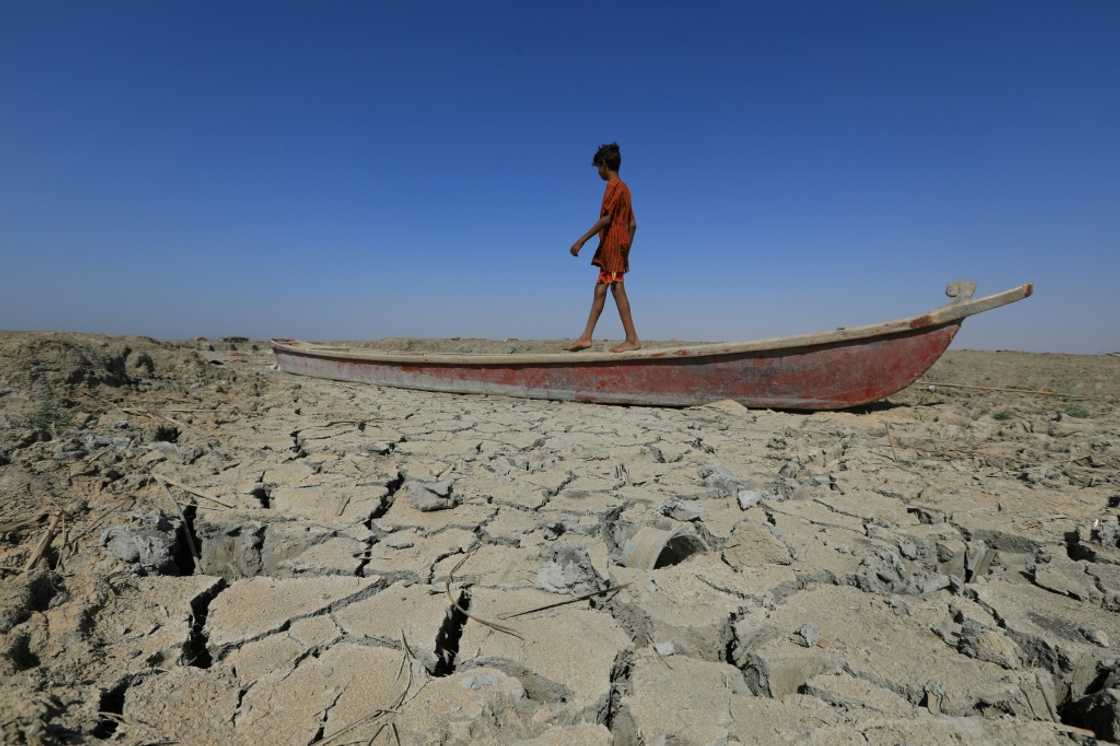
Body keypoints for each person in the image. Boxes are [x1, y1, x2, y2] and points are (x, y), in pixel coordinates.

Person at [567, 142, 640, 353]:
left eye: (598, 167)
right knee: (601, 288)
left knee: (617, 288)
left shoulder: (613, 187)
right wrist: (627, 251)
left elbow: (606, 219)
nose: (598, 172)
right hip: (616, 248)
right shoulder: (626, 189)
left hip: (613, 245)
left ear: (605, 165)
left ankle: (632, 339)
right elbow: (633, 224)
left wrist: (581, 240)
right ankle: (586, 336)